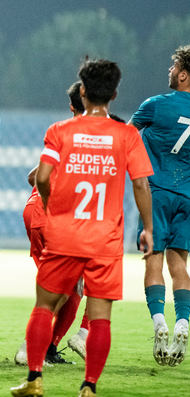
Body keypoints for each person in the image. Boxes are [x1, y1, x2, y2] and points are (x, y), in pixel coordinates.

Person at [10, 59, 154, 397]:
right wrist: (148, 227)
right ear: (115, 94)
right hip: (106, 238)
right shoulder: (127, 135)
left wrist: (50, 205)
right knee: (100, 317)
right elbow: (141, 185)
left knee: (44, 306)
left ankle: (34, 380)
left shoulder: (61, 131)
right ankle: (88, 387)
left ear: (83, 91)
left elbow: (41, 177)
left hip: (63, 234)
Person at [15, 82, 89, 367]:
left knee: (72, 288)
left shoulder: (60, 132)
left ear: (72, 106)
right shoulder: (97, 136)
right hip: (59, 217)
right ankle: (32, 347)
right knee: (67, 286)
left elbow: (34, 176)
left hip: (34, 212)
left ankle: (47, 348)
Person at [130, 44, 190, 367]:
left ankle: (160, 324)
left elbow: (126, 138)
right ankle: (183, 323)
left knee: (153, 262)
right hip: (189, 197)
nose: (169, 72)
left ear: (182, 73)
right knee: (179, 265)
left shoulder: (155, 105)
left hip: (156, 194)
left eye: (173, 68)